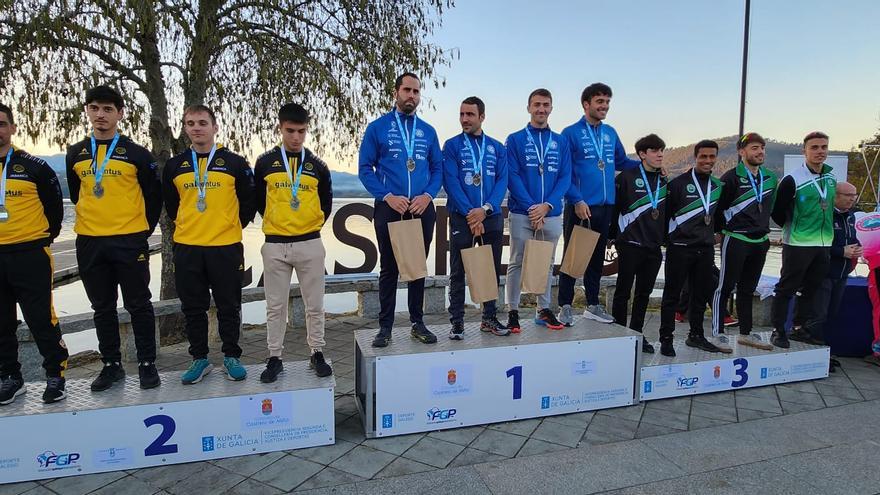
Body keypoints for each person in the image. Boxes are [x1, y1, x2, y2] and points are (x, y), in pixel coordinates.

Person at [66, 86, 162, 391]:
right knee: (102, 307)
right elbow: (75, 191)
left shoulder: (137, 154)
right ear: (87, 111)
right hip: (90, 241)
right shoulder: (76, 153)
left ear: (120, 114)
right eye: (94, 108)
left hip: (129, 240)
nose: (100, 115)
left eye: (108, 109)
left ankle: (147, 363)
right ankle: (111, 365)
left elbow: (153, 197)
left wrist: (140, 232)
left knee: (139, 303)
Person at [163, 104, 256, 384]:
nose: (197, 128)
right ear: (185, 128)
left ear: (214, 127)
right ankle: (199, 359)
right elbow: (171, 204)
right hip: (188, 247)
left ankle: (231, 356)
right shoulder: (175, 165)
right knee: (193, 307)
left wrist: (230, 226)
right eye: (190, 123)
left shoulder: (235, 163)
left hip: (225, 246)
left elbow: (248, 203)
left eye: (202, 123)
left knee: (229, 304)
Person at [358, 72, 443, 347]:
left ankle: (417, 323)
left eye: (416, 91)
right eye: (407, 90)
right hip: (389, 208)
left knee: (417, 268)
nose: (412, 96)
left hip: (421, 209)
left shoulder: (428, 131)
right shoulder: (378, 128)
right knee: (389, 269)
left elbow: (437, 169)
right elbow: (364, 169)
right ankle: (385, 327)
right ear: (396, 92)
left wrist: (428, 196)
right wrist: (386, 196)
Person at [254, 103, 333, 382]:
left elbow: (326, 203)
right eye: (290, 131)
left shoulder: (318, 166)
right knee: (275, 306)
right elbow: (259, 203)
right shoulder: (264, 163)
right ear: (280, 128)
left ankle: (317, 352)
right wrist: (277, 224)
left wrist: (307, 227)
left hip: (310, 243)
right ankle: (274, 357)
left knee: (315, 305)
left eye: (301, 131)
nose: (296, 137)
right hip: (275, 245)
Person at [0, 103, 68, 404]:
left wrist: (43, 237)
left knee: (41, 319)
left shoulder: (34, 166)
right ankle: (11, 377)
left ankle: (55, 374)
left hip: (29, 253)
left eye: (2, 123)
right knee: (1, 322)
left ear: (13, 128)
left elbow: (55, 209)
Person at [558, 83, 641, 325]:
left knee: (596, 258)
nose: (604, 106)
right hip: (581, 206)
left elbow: (622, 161)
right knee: (574, 259)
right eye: (599, 102)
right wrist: (576, 199)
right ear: (586, 104)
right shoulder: (570, 133)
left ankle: (593, 304)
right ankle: (565, 305)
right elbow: (565, 173)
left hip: (606, 207)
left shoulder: (610, 133)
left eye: (607, 102)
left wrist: (647, 167)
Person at [504, 88, 571, 332]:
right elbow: (512, 175)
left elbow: (565, 177)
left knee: (547, 261)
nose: (541, 109)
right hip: (523, 212)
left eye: (545, 105)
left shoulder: (560, 141)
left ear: (551, 108)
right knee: (516, 261)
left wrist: (547, 206)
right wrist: (532, 207)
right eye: (537, 105)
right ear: (529, 107)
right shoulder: (515, 139)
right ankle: (512, 310)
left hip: (551, 212)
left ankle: (543, 309)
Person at [442, 96, 509, 339]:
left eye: (470, 114)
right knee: (458, 271)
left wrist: (486, 209)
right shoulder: (451, 146)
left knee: (491, 270)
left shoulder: (497, 148)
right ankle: (457, 322)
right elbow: (451, 181)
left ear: (482, 117)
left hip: (490, 217)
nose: (464, 119)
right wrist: (472, 213)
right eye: (461, 114)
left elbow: (502, 181)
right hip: (462, 216)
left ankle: (489, 318)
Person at [658, 140, 725, 356]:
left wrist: (716, 235)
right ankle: (666, 338)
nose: (707, 160)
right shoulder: (677, 184)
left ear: (716, 158)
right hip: (680, 248)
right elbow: (665, 216)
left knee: (699, 295)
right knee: (672, 295)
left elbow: (720, 217)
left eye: (711, 156)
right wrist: (671, 240)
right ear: (695, 158)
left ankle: (696, 335)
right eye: (703, 157)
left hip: (705, 249)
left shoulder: (717, 186)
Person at [770, 131, 836, 349]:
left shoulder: (831, 178)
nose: (820, 151)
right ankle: (778, 330)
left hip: (823, 243)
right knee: (786, 288)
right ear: (804, 151)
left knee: (811, 288)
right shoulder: (792, 180)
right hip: (797, 244)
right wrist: (793, 229)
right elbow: (777, 212)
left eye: (823, 147)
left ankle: (799, 328)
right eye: (814, 147)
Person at [713, 132, 778, 350]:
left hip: (761, 240)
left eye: (762, 148)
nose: (760, 152)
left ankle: (746, 333)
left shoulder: (769, 178)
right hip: (736, 238)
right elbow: (717, 210)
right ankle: (718, 332)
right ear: (742, 152)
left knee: (748, 289)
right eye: (754, 148)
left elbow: (773, 207)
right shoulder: (730, 178)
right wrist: (721, 232)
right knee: (725, 287)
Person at [609, 134, 668, 353]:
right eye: (654, 150)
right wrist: (613, 236)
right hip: (630, 243)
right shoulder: (626, 177)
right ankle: (617, 335)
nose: (660, 154)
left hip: (653, 247)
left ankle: (637, 335)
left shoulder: (663, 180)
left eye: (661, 150)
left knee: (644, 294)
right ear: (642, 154)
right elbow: (615, 210)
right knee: (623, 292)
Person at [796, 182, 859, 356]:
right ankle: (810, 351)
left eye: (854, 195)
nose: (852, 199)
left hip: (842, 273)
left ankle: (822, 354)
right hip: (824, 272)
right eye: (848, 195)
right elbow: (817, 243)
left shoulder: (851, 216)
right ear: (836, 196)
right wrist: (841, 252)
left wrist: (857, 248)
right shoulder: (825, 215)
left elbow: (851, 238)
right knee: (818, 315)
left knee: (831, 314)